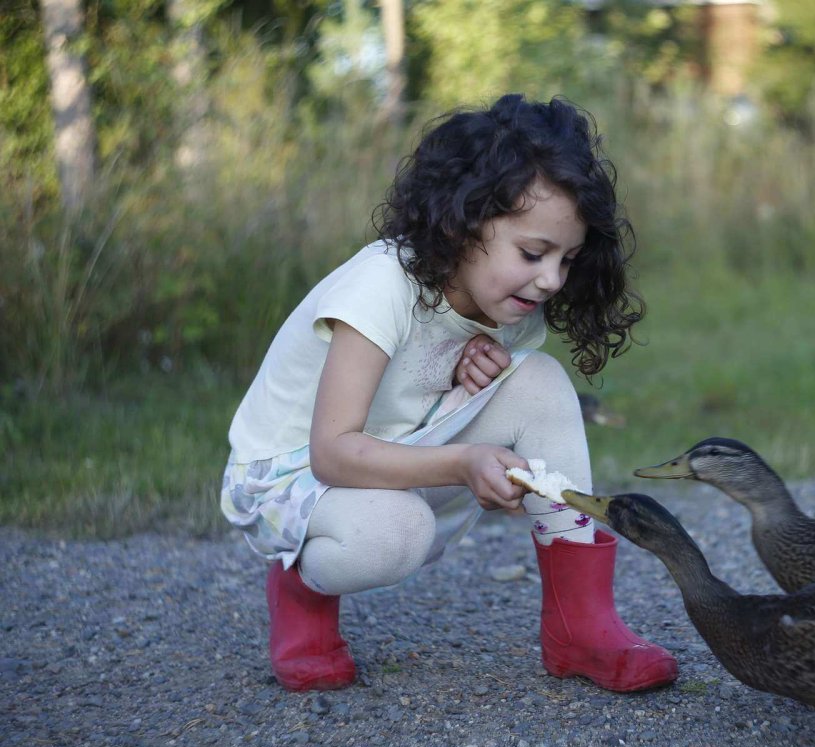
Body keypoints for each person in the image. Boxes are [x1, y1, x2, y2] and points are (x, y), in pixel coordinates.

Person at [219, 94, 678, 694]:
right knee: (397, 533)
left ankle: (581, 626)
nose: (551, 280)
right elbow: (333, 452)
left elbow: (410, 397)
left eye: (567, 259)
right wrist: (465, 461)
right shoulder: (382, 286)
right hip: (294, 472)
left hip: (393, 446)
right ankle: (301, 582)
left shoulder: (509, 304)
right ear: (462, 222)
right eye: (533, 253)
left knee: (539, 380)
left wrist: (460, 382)